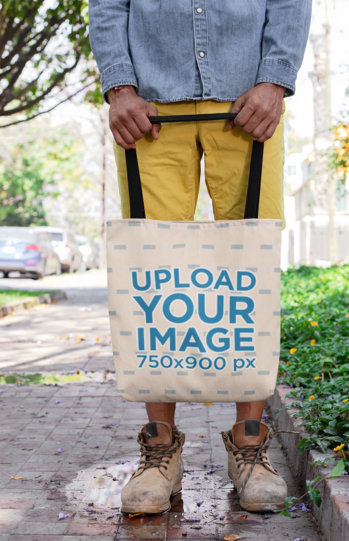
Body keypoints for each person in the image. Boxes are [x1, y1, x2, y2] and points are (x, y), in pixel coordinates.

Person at [89, 0, 311, 515]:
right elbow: (106, 5)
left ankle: (250, 448)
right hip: (147, 110)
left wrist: (275, 80)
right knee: (151, 276)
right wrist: (118, 87)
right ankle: (159, 452)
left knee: (249, 273)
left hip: (248, 104)